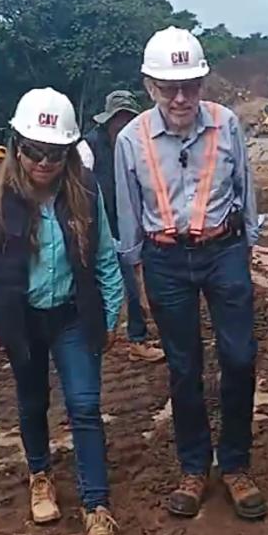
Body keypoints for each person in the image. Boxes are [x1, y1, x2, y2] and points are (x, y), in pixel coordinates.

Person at [0, 87, 125, 535]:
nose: (44, 162)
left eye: (54, 153)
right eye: (34, 151)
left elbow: (107, 259)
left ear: (68, 152)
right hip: (21, 319)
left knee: (86, 407)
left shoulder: (86, 191)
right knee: (32, 402)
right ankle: (40, 474)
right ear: (17, 146)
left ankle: (97, 510)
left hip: (73, 316)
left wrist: (110, 315)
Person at [114, 27, 266, 520]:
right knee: (184, 367)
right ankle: (194, 467)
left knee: (239, 357)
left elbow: (247, 188)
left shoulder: (227, 125)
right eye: (168, 87)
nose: (181, 98)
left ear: (203, 82)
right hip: (164, 259)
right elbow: (128, 212)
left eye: (191, 86)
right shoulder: (129, 140)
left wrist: (249, 248)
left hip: (222, 250)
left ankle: (236, 465)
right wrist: (135, 276)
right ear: (148, 86)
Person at [84, 90, 165, 363]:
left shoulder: (137, 145)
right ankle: (98, 338)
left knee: (135, 285)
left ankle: (137, 338)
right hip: (96, 228)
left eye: (128, 119)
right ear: (107, 121)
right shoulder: (90, 147)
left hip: (128, 228)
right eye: (118, 120)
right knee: (96, 286)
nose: (123, 126)